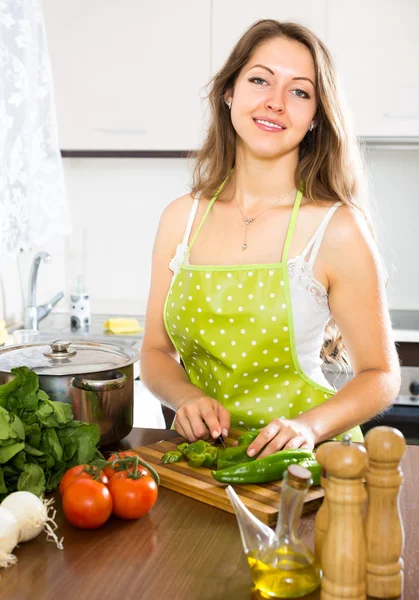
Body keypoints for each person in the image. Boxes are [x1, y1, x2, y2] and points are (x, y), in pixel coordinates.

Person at [140, 19, 400, 459]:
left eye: (299, 91)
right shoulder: (180, 219)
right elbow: (154, 351)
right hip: (208, 463)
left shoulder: (337, 228)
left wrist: (307, 427)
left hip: (312, 464)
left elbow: (380, 374)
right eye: (260, 80)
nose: (275, 103)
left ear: (316, 115)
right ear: (230, 93)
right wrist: (185, 397)